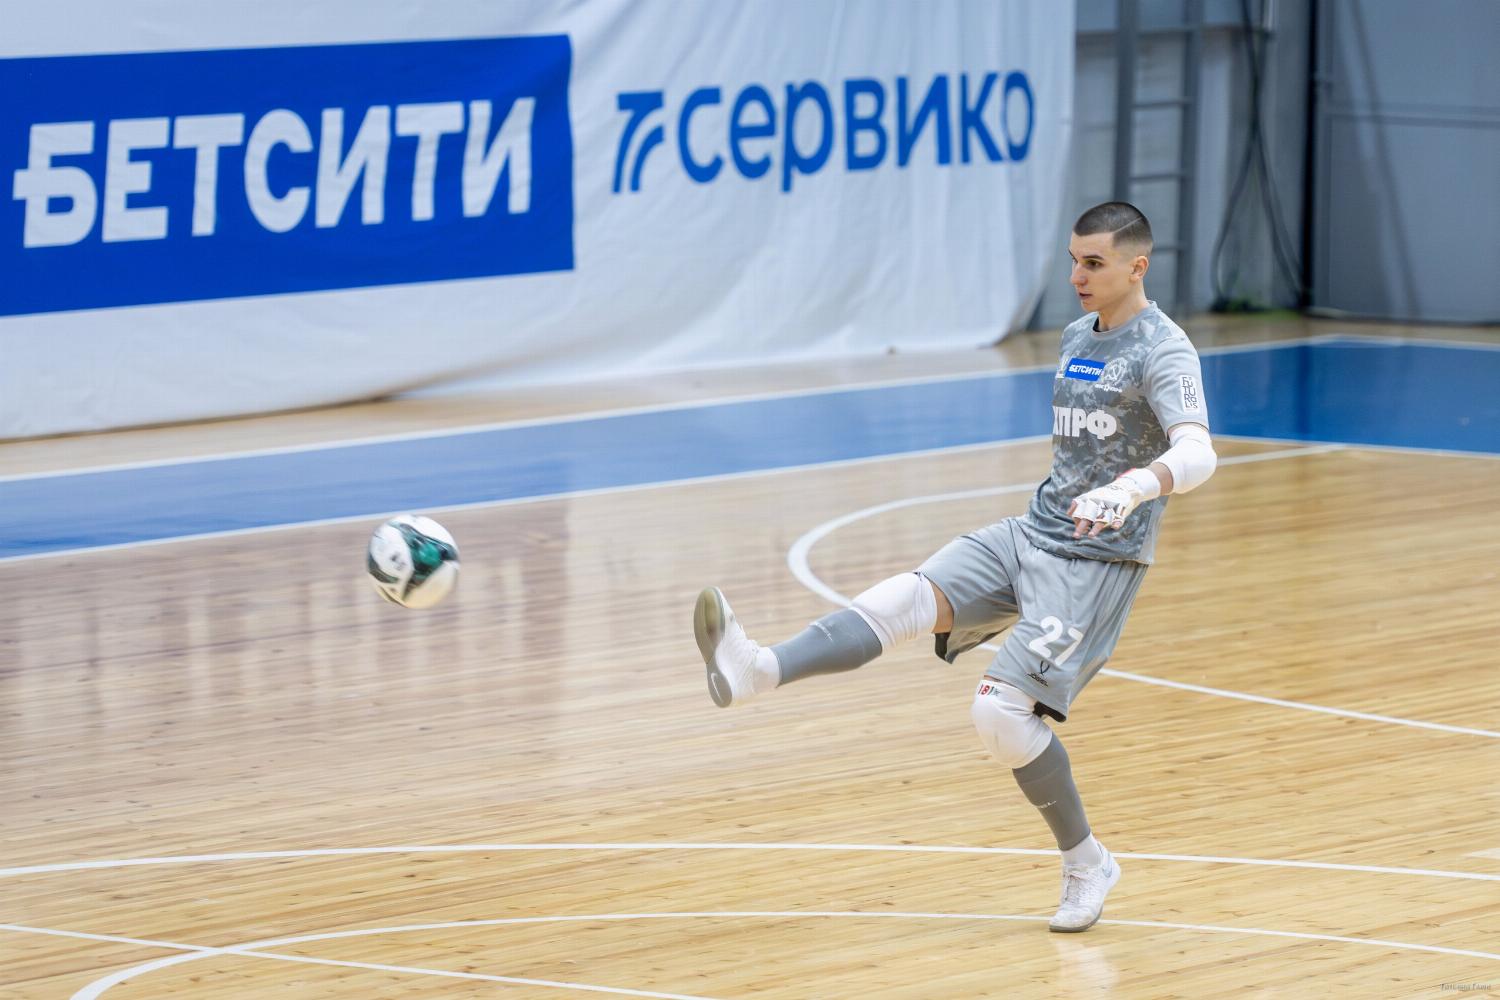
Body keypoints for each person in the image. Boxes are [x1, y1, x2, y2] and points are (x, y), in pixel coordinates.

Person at [693, 201, 1217, 933]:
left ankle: (1088, 863)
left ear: (1138, 266)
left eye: (1094, 263)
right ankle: (758, 670)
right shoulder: (1077, 336)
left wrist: (1132, 488)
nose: (1076, 276)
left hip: (1095, 563)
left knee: (998, 715)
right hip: (1031, 532)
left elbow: (1198, 452)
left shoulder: (1165, 350)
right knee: (903, 598)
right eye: (1073, 260)